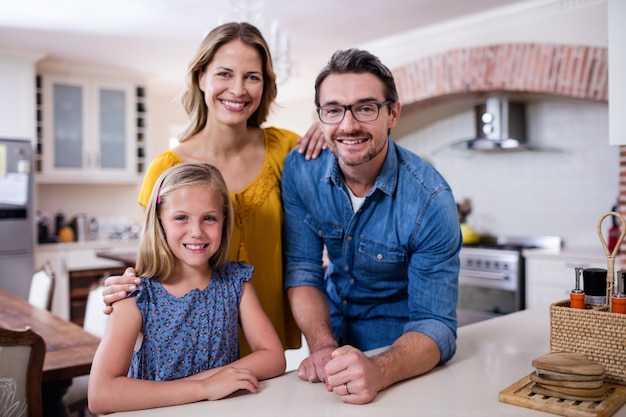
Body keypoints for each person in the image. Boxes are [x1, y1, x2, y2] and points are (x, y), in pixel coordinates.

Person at [102, 22, 326, 354]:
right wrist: (122, 287)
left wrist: (332, 125)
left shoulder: (287, 150)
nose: (238, 90)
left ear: (265, 85)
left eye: (252, 76)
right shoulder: (166, 169)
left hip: (270, 345)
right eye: (224, 74)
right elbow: (154, 263)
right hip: (196, 346)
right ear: (201, 77)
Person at [281, 48, 461, 405]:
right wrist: (322, 345)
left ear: (392, 112)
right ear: (320, 117)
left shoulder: (430, 200)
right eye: (333, 110)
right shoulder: (301, 170)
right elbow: (302, 268)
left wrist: (380, 369)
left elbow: (436, 324)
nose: (348, 126)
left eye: (365, 108)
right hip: (326, 337)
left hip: (399, 355)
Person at [88, 163, 285, 414]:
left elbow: (274, 357)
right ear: (160, 220)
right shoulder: (135, 294)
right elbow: (100, 395)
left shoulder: (236, 283)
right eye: (181, 217)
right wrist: (205, 388)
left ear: (224, 220)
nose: (196, 232)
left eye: (209, 218)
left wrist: (212, 382)